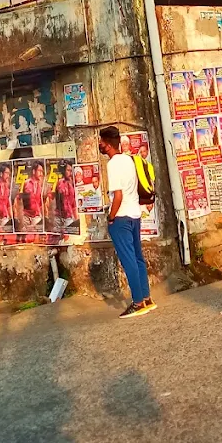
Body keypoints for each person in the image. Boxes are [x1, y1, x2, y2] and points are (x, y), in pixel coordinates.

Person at [98, 125, 154, 318]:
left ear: (106, 145)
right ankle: (146, 298)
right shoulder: (129, 160)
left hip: (121, 217)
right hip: (135, 215)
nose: (100, 145)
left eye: (101, 142)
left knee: (129, 261)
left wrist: (111, 217)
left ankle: (138, 303)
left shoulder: (113, 164)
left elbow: (118, 196)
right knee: (138, 258)